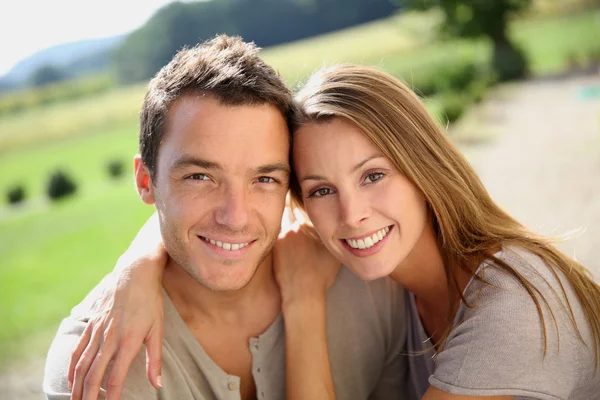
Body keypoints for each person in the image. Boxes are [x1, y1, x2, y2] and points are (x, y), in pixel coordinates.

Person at [66, 64, 600, 398]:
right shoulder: (394, 284)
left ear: (425, 168)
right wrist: (137, 264)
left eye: (373, 176)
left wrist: (302, 302)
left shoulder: (516, 306)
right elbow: (220, 206)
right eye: (321, 189)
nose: (352, 214)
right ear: (300, 204)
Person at [42, 36, 409, 400]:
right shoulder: (92, 366)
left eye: (264, 179)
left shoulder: (371, 288)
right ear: (145, 181)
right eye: (200, 177)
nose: (235, 217)